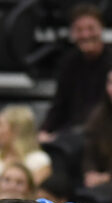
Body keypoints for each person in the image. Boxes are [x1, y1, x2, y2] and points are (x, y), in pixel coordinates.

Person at [40, 4, 112, 142]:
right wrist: (44, 131)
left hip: (103, 133)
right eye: (79, 30)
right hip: (70, 131)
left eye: (91, 28)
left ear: (101, 28)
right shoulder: (68, 63)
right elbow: (59, 105)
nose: (85, 35)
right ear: (72, 34)